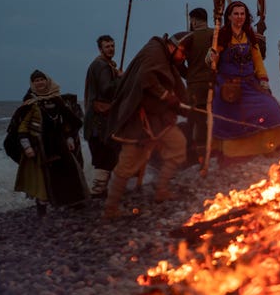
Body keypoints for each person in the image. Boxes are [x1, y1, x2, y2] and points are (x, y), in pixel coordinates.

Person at [103, 32, 192, 218]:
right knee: (127, 165)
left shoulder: (165, 57)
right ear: (175, 47)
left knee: (177, 145)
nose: (183, 58)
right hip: (138, 121)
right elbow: (146, 78)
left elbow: (176, 83)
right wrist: (167, 97)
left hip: (158, 119)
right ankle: (110, 209)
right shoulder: (154, 53)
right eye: (183, 54)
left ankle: (161, 191)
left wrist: (186, 105)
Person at [206, 0, 280, 161]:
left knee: (271, 107)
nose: (239, 17)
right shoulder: (222, 36)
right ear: (230, 17)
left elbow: (257, 60)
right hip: (227, 87)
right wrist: (212, 56)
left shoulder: (249, 35)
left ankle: (269, 146)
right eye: (236, 14)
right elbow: (211, 61)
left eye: (242, 14)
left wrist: (263, 79)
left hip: (249, 84)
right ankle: (230, 155)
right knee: (229, 120)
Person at [12, 70, 87, 216]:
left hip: (59, 143)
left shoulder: (56, 100)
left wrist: (70, 138)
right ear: (32, 84)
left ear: (47, 81)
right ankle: (42, 207)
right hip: (40, 146)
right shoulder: (30, 103)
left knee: (69, 170)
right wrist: (27, 146)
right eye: (36, 81)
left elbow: (68, 121)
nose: (40, 83)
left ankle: (73, 201)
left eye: (42, 79)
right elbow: (22, 128)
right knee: (43, 178)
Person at [83, 34, 122, 197]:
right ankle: (98, 192)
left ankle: (105, 191)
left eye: (112, 46)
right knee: (104, 156)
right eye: (107, 46)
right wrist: (120, 78)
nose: (111, 49)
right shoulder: (102, 66)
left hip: (98, 120)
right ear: (100, 49)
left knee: (107, 156)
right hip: (100, 122)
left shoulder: (105, 65)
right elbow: (107, 89)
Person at [182, 7, 215, 166]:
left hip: (195, 87)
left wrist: (188, 74)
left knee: (198, 123)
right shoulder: (215, 34)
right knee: (215, 119)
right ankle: (216, 153)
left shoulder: (188, 38)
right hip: (214, 84)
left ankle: (201, 159)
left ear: (193, 20)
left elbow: (177, 63)